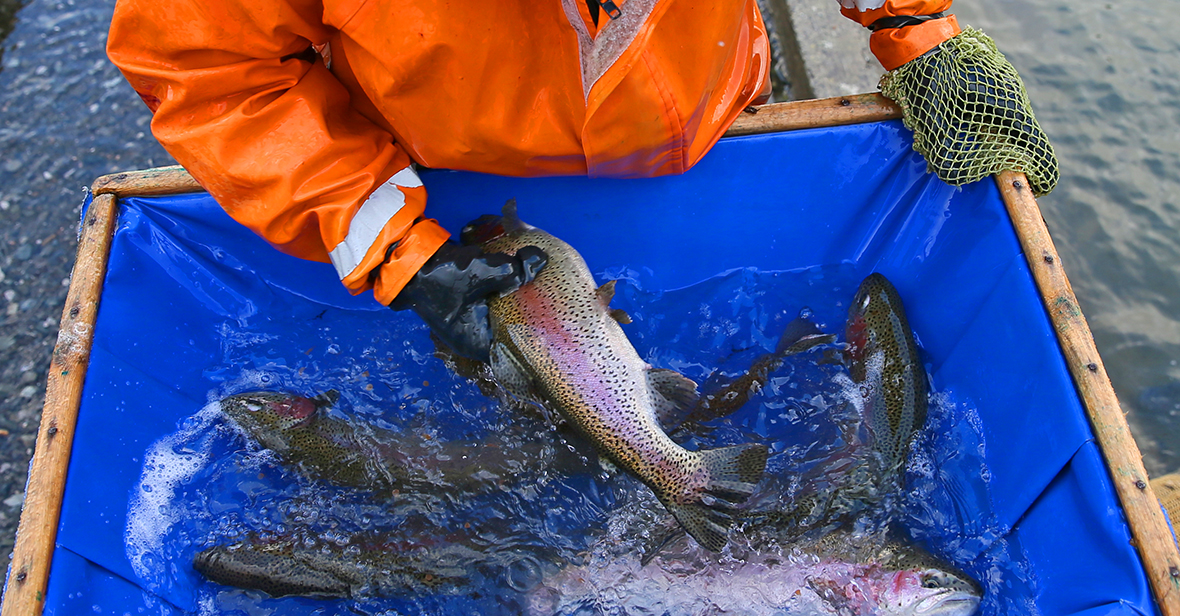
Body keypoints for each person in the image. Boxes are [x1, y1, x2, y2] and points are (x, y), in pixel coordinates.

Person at [106, 0, 1055, 361]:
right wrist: (395, 249)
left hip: (703, 108)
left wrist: (914, 21)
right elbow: (210, 68)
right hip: (441, 161)